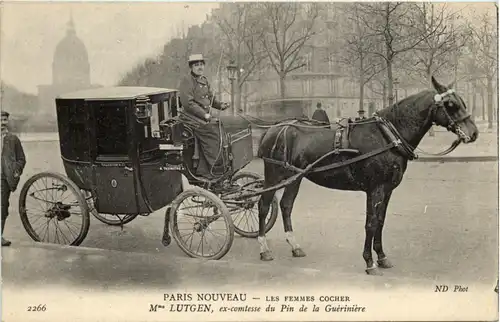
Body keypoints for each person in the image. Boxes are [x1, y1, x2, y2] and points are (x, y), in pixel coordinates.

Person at [178, 54, 231, 181]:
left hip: (202, 116)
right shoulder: (187, 80)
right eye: (196, 65)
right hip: (190, 117)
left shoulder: (204, 80)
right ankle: (213, 170)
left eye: (201, 64)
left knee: (219, 126)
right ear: (191, 67)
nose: (199, 67)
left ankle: (213, 166)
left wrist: (221, 105)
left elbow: (210, 99)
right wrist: (204, 114)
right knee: (212, 132)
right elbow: (188, 103)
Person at [1, 111, 26, 246]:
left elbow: (21, 159)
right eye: (0, 120)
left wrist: (15, 172)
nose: (3, 123)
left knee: (2, 208)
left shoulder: (13, 139)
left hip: (4, 180)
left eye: (5, 120)